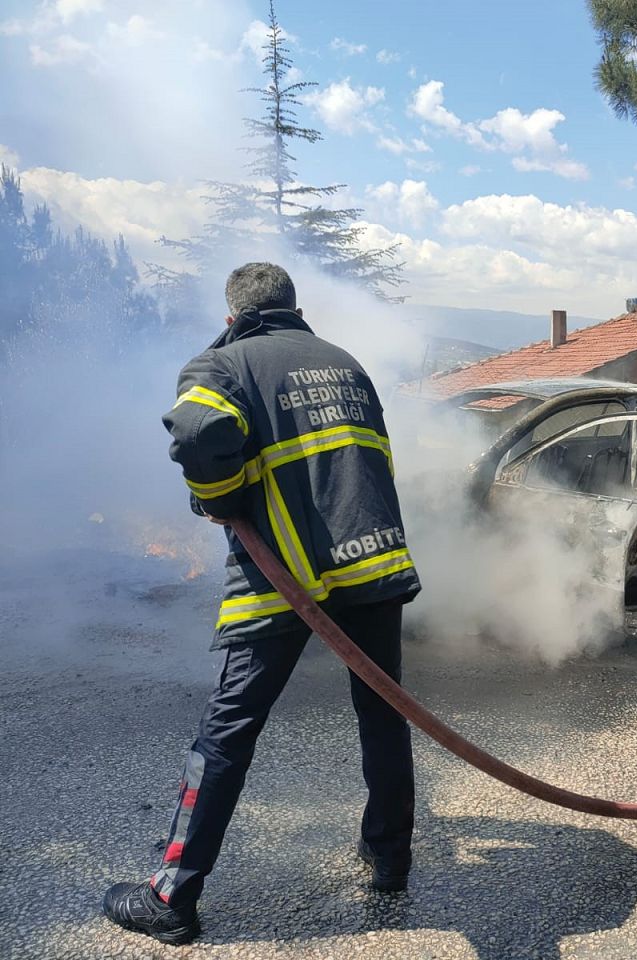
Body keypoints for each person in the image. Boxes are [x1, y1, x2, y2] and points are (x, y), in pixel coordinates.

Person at [102, 263, 422, 945]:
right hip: (372, 561)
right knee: (383, 714)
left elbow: (195, 437)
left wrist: (219, 499)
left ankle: (173, 898)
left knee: (227, 730)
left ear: (232, 316)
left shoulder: (223, 365)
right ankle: (390, 859)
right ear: (293, 308)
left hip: (286, 576)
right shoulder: (345, 363)